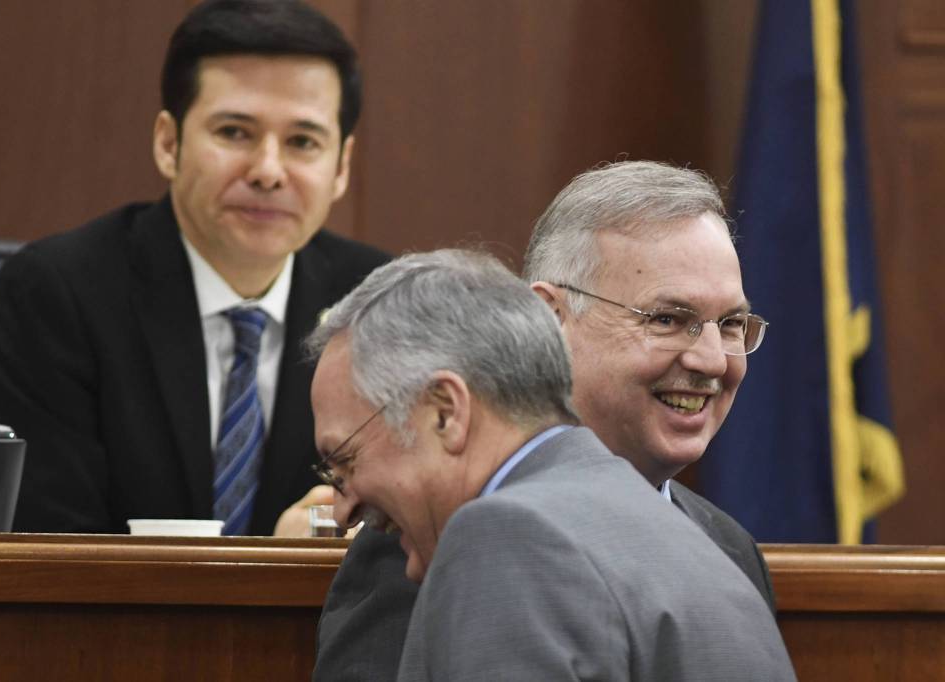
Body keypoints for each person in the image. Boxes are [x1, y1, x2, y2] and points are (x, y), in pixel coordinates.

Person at [314, 160, 776, 679]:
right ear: (550, 318)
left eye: (732, 324)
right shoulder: (421, 531)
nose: (713, 360)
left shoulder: (724, 545)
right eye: (668, 319)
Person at [0, 0, 388, 535]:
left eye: (302, 142)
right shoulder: (57, 293)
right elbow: (45, 550)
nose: (267, 170)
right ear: (169, 144)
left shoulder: (377, 306)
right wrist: (273, 567)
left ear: (341, 168)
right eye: (235, 132)